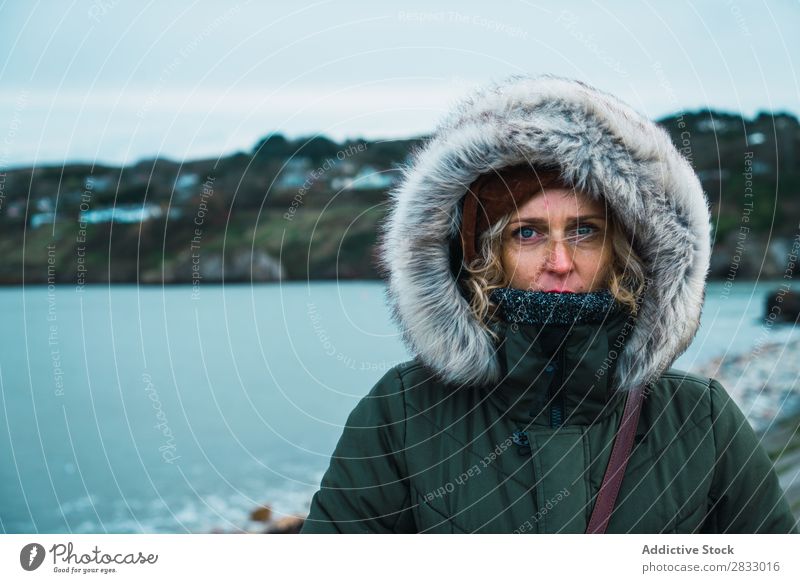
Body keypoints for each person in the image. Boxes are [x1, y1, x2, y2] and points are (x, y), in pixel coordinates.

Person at [299, 74, 797, 533]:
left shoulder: (700, 420)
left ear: (622, 251)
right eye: (528, 232)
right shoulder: (402, 412)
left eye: (584, 231)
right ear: (483, 254)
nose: (559, 261)